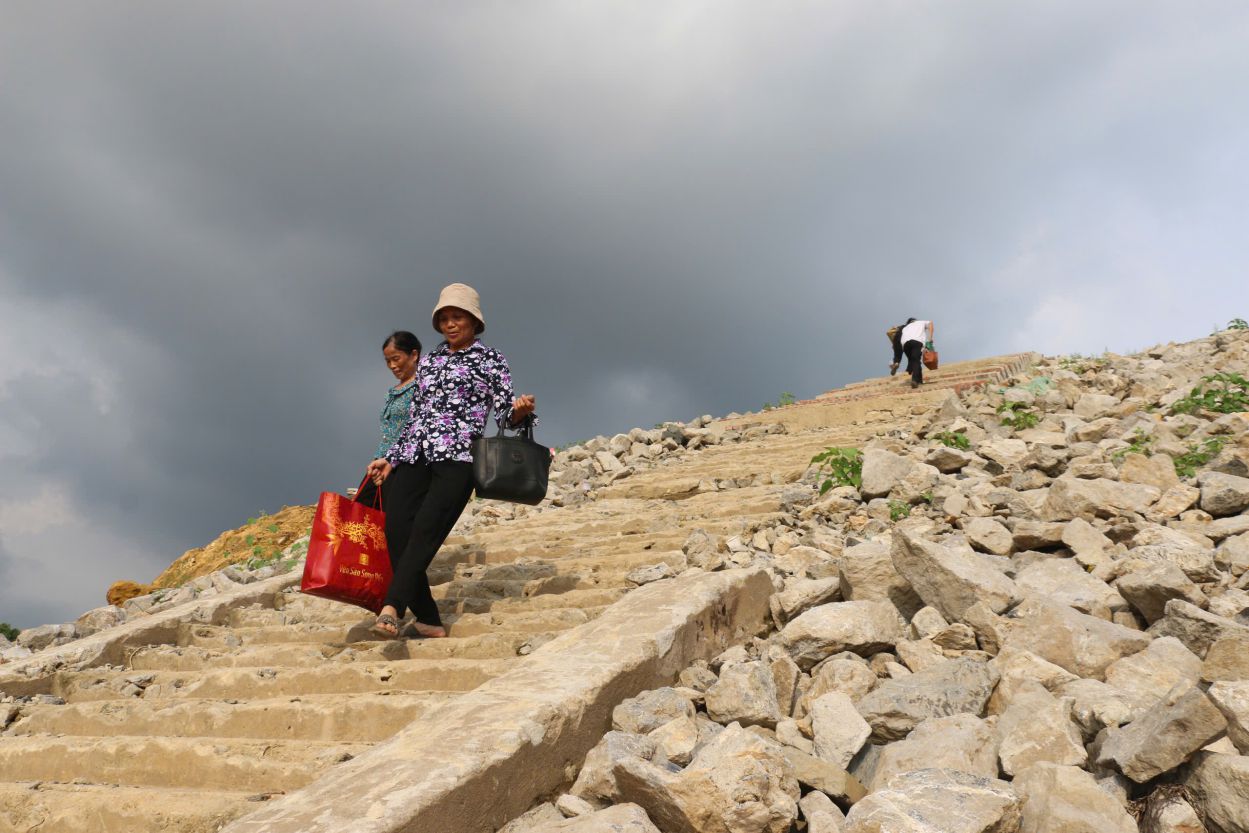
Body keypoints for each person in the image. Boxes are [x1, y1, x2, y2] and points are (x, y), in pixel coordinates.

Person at [365, 283, 536, 638]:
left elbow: (504, 416)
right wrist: (391, 458)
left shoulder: (491, 359)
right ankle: (428, 620)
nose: (450, 324)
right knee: (395, 532)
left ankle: (392, 607)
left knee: (424, 534)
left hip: (458, 459)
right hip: (415, 454)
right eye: (444, 319)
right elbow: (416, 414)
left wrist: (520, 411)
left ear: (474, 321)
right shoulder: (430, 361)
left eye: (457, 317)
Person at [354, 331, 422, 509]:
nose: (392, 365)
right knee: (361, 510)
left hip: (403, 463)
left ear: (414, 355)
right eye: (388, 361)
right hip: (380, 462)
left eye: (396, 359)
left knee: (392, 513)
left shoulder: (423, 387)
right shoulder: (392, 392)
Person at [889, 317, 935, 388]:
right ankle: (914, 380)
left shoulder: (905, 327)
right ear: (915, 320)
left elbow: (895, 333)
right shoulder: (920, 322)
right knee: (916, 360)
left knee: (914, 361)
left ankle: (919, 380)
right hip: (917, 342)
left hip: (905, 344)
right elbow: (930, 323)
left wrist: (895, 346)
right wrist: (930, 338)